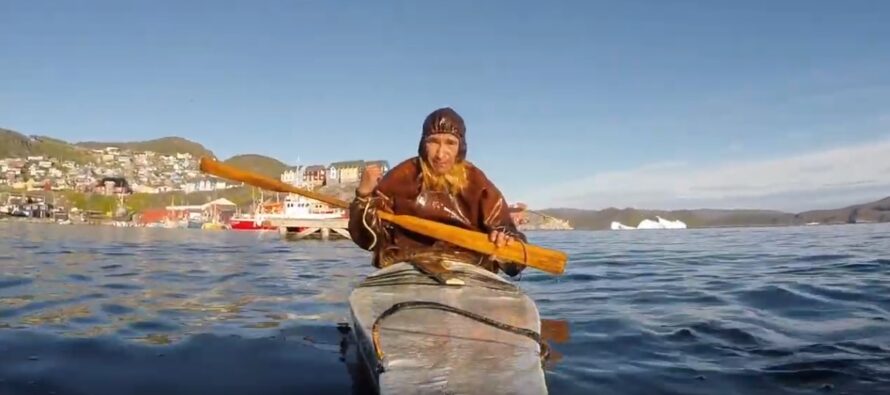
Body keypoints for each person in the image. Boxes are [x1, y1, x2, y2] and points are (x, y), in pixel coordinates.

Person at [348, 107, 527, 277]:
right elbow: (368, 240)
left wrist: (505, 243)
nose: (441, 154)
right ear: (423, 144)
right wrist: (363, 195)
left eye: (450, 143)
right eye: (433, 142)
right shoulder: (400, 178)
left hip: (468, 271)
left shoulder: (478, 184)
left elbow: (513, 261)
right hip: (406, 267)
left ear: (461, 147)